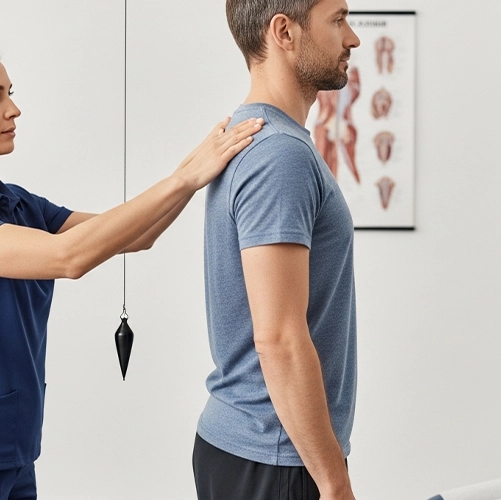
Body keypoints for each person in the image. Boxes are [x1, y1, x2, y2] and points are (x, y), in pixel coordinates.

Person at [0, 41, 263, 500]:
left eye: (10, 93)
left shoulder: (17, 203)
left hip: (13, 452)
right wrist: (184, 178)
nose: (14, 109)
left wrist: (195, 167)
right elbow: (69, 257)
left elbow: (134, 236)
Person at [194, 1, 361, 499]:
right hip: (273, 455)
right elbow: (280, 338)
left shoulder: (269, 141)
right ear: (284, 33)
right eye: (337, 20)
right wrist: (334, 484)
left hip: (262, 450)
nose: (352, 38)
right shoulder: (279, 155)